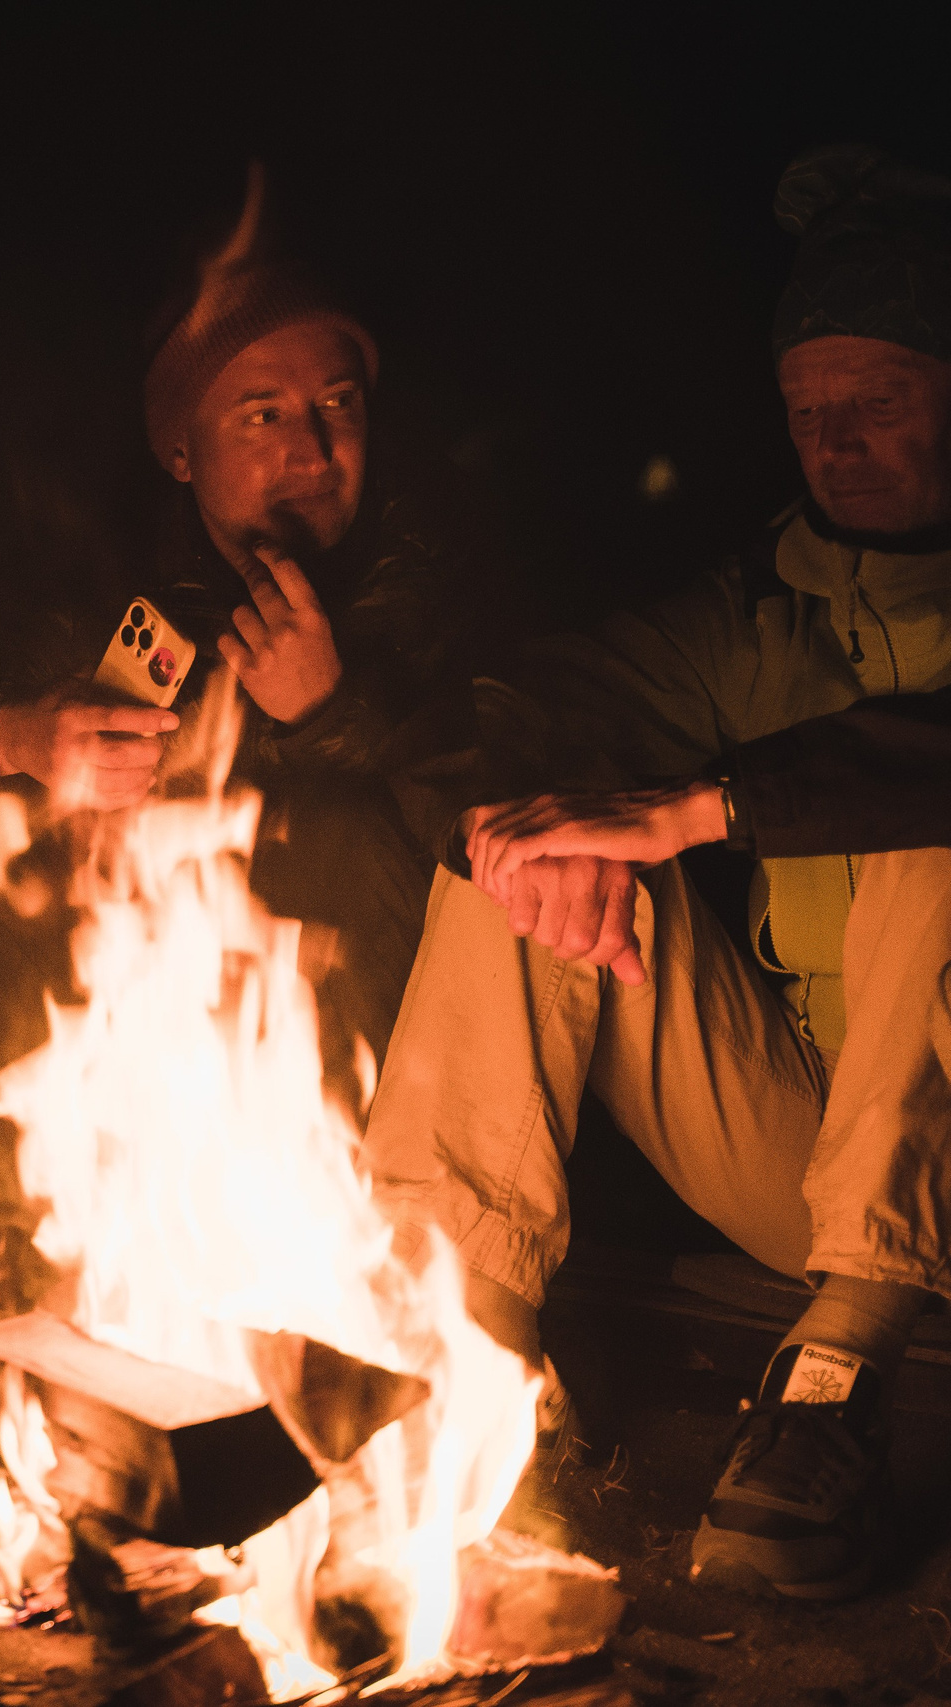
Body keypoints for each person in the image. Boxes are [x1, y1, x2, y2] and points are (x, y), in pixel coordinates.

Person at [361, 143, 951, 1602]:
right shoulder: (757, 611)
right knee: (533, 838)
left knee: (914, 819)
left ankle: (827, 1394)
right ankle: (451, 1355)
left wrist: (706, 803)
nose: (836, 439)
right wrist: (526, 830)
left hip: (915, 1208)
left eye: (878, 398)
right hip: (809, 1165)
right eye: (809, 408)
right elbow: (496, 719)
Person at [140, 162, 494, 1079]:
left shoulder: (451, 569)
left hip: (432, 1086)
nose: (313, 448)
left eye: (337, 405)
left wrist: (332, 717)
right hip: (184, 1084)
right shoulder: (127, 588)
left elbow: (508, 820)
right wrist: (23, 743)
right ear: (181, 451)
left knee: (341, 833)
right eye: (262, 415)